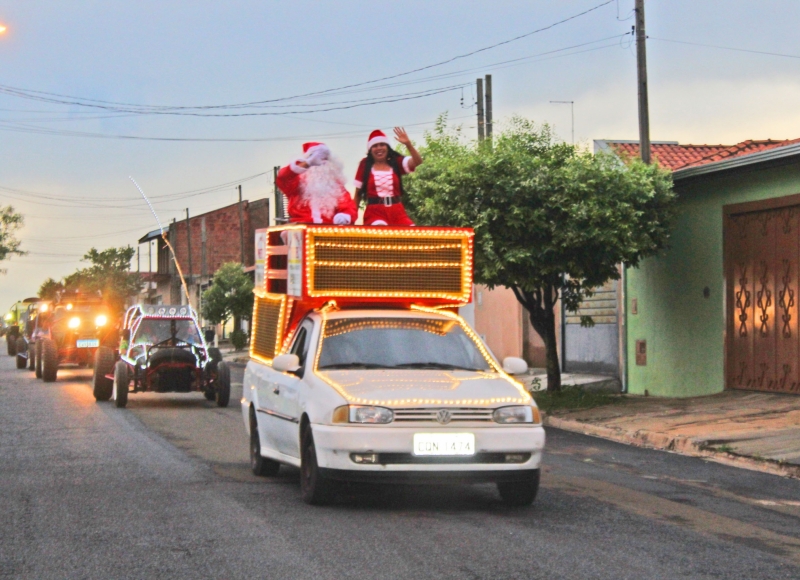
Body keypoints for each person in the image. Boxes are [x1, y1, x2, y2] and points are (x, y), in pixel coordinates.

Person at [276, 142, 358, 225]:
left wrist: (344, 216)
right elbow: (283, 178)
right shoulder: (298, 181)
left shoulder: (336, 186)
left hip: (327, 231)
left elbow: (349, 206)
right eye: (317, 159)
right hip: (301, 228)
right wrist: (308, 163)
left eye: (325, 159)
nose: (321, 163)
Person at [354, 128, 423, 226]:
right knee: (381, 230)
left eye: (382, 144)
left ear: (387, 147)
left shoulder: (396, 162)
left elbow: (418, 161)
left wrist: (408, 144)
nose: (379, 148)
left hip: (397, 211)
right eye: (375, 146)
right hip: (375, 212)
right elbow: (357, 195)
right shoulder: (364, 164)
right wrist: (352, 219)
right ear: (370, 149)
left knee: (413, 234)